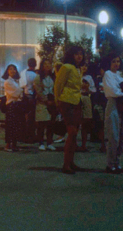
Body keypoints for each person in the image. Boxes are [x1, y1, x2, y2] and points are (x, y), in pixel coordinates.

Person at [53, 46, 85, 174]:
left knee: (75, 133)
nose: (79, 56)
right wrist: (58, 101)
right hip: (66, 102)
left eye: (81, 54)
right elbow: (58, 85)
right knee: (71, 132)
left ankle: (71, 162)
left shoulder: (78, 69)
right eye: (76, 54)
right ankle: (66, 164)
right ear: (71, 55)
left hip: (76, 102)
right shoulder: (66, 67)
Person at [103, 54, 123, 174]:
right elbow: (112, 91)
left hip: (122, 106)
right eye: (114, 61)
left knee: (122, 136)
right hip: (113, 105)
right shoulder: (108, 74)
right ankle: (110, 164)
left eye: (118, 61)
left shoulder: (119, 75)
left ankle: (117, 162)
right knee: (114, 137)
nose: (116, 64)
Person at [33, 59, 57, 151]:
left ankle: (50, 142)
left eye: (49, 64)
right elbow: (38, 91)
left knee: (51, 124)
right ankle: (41, 142)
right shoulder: (38, 77)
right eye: (45, 64)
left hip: (52, 102)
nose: (47, 66)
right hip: (42, 103)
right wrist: (46, 100)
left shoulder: (53, 77)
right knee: (42, 124)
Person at [3, 64, 25, 152]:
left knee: (16, 125)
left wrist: (20, 90)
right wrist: (21, 89)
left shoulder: (16, 81)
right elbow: (15, 94)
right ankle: (8, 145)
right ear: (7, 71)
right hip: (11, 105)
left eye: (14, 69)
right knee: (10, 125)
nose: (12, 71)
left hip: (17, 105)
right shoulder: (7, 82)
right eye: (10, 69)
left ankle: (14, 145)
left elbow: (19, 93)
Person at [22, 58, 38, 143]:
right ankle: (31, 135)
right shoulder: (35, 75)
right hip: (31, 97)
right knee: (31, 118)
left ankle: (25, 135)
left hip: (24, 96)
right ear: (35, 65)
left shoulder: (23, 73)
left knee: (26, 117)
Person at [78, 75, 93, 152]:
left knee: (85, 124)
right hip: (78, 99)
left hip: (86, 100)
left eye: (86, 82)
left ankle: (84, 144)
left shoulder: (89, 94)